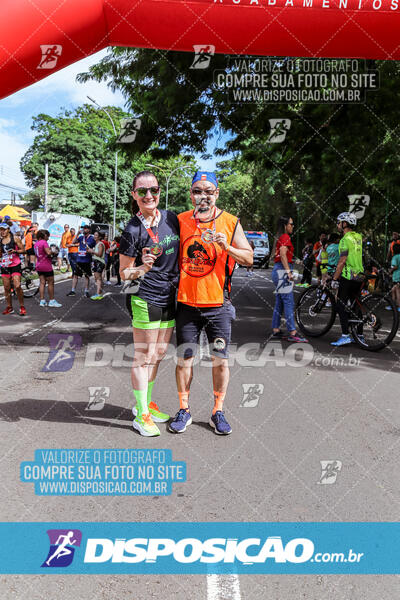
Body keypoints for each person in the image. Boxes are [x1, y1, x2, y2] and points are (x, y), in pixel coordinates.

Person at [169, 170, 253, 436]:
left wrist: (226, 247)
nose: (202, 195)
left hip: (218, 305)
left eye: (208, 191)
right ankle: (184, 409)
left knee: (220, 360)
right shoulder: (180, 220)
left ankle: (218, 411)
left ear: (216, 193)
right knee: (184, 360)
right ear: (191, 194)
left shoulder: (230, 222)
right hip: (186, 305)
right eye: (197, 190)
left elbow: (249, 258)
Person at [119, 170, 180, 437]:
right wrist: (142, 267)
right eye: (142, 191)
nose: (148, 195)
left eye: (153, 190)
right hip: (145, 296)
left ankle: (147, 403)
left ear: (159, 191)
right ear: (134, 195)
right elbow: (124, 274)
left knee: (159, 354)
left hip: (170, 295)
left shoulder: (171, 218)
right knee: (143, 357)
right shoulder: (132, 230)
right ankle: (141, 414)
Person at [271, 216, 308, 342]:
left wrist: (294, 261)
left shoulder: (282, 238)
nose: (293, 226)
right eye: (291, 224)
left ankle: (276, 329)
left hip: (278, 270)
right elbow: (282, 254)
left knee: (280, 302)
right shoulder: (285, 237)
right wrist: (288, 272)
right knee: (288, 302)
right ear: (285, 225)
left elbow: (284, 254)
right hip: (282, 271)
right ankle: (292, 332)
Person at [330, 212, 364, 346]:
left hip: (348, 276)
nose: (338, 225)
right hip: (359, 276)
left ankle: (345, 335)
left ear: (345, 224)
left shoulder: (344, 240)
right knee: (357, 306)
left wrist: (334, 278)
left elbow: (342, 261)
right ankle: (360, 335)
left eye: (339, 222)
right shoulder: (358, 237)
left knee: (341, 305)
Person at [0, 222, 26, 315]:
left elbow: (24, 250)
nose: (2, 232)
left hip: (15, 264)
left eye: (4, 229)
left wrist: (15, 251)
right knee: (6, 287)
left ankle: (22, 306)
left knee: (17, 286)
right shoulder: (0, 241)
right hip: (5, 266)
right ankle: (9, 307)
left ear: (8, 230)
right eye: (0, 230)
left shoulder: (15, 238)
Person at [34, 229, 62, 307]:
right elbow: (49, 252)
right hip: (46, 265)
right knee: (50, 283)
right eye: (48, 236)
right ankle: (52, 301)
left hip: (39, 265)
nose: (48, 238)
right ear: (44, 235)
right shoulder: (44, 242)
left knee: (42, 283)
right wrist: (54, 252)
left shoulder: (36, 244)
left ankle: (42, 301)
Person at [66, 224, 95, 297]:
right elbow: (73, 242)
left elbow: (95, 247)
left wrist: (92, 251)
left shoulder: (92, 238)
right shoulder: (81, 237)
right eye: (83, 228)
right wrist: (78, 233)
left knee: (87, 276)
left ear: (89, 230)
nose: (84, 230)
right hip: (79, 259)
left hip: (87, 259)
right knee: (75, 275)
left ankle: (86, 291)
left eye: (86, 229)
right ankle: (73, 291)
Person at [87, 230, 106, 300]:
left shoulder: (100, 244)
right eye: (94, 235)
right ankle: (99, 293)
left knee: (98, 279)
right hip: (96, 262)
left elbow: (100, 254)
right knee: (98, 278)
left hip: (99, 262)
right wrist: (90, 251)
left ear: (99, 237)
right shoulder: (97, 244)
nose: (94, 236)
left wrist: (92, 251)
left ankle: (98, 294)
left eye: (96, 235)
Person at [390, 244, 400, 312]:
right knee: (393, 290)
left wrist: (390, 271)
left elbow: (395, 266)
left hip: (397, 277)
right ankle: (393, 305)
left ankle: (399, 306)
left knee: (397, 291)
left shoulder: (395, 257)